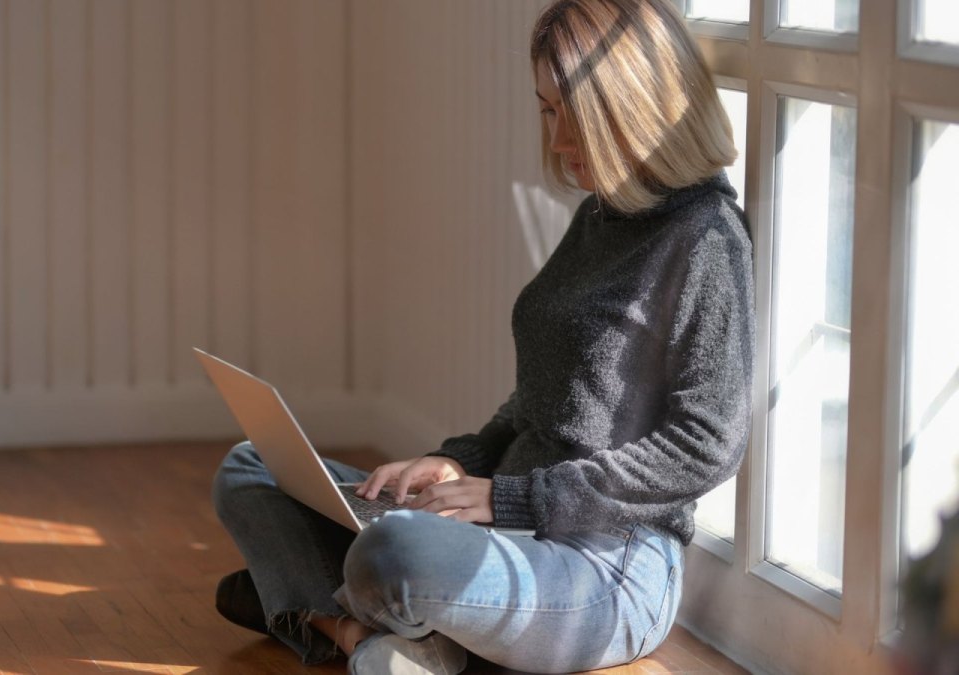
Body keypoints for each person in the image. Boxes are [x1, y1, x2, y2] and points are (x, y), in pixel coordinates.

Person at [212, 0, 754, 672]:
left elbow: (708, 445)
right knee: (250, 464)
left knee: (397, 551)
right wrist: (458, 463)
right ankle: (367, 631)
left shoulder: (706, 237)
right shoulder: (601, 215)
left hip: (607, 564)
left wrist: (510, 497)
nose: (557, 140)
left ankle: (313, 604)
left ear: (633, 107)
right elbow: (538, 399)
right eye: (548, 110)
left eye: (574, 116)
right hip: (504, 516)